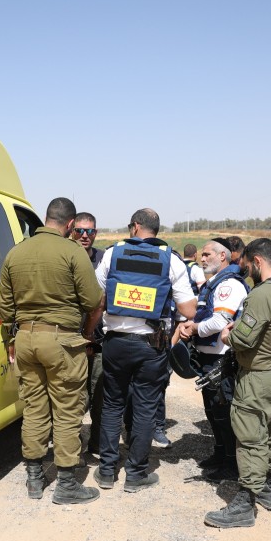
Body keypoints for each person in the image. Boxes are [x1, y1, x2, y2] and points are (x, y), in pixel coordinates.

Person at [0, 197, 104, 505]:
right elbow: (92, 300)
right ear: (70, 224)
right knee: (67, 410)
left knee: (33, 409)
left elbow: (5, 304)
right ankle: (67, 484)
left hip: (25, 340)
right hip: (61, 341)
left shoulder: (15, 252)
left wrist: (9, 339)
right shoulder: (72, 251)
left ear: (46, 218)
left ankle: (34, 479)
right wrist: (86, 334)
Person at [204, 238, 271, 529]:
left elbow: (242, 339)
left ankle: (245, 503)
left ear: (258, 261)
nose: (246, 271)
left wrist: (226, 335)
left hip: (255, 376)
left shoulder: (261, 296)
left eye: (247, 266)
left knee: (249, 437)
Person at [93, 208, 196, 493]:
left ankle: (106, 472)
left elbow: (97, 297)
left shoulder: (112, 254)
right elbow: (188, 309)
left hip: (115, 343)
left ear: (135, 227)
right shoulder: (171, 260)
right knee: (145, 408)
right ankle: (136, 474)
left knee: (113, 405)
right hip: (152, 346)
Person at [176, 238, 248, 481]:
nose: (202, 258)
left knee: (224, 412)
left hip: (222, 360)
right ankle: (220, 454)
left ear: (223, 257)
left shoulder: (229, 285)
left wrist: (194, 328)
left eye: (207, 254)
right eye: (202, 254)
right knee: (212, 412)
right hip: (209, 360)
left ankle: (231, 464)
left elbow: (219, 322)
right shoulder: (213, 283)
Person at [71, 212, 105, 461]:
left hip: (100, 340)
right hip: (73, 340)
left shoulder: (105, 259)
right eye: (80, 230)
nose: (85, 236)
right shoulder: (66, 257)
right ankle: (73, 449)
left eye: (90, 231)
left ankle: (96, 444)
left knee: (101, 396)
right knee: (75, 400)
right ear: (72, 230)